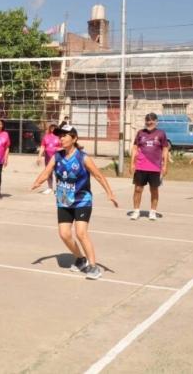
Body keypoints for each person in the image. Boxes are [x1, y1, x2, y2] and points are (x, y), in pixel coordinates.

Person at [31, 123, 118, 280]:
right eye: (60, 135)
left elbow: (99, 175)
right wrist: (37, 182)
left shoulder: (83, 158)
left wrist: (109, 193)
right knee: (64, 234)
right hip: (63, 200)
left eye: (65, 135)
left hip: (82, 200)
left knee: (80, 233)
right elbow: (46, 172)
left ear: (74, 138)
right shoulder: (57, 156)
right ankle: (80, 259)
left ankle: (93, 266)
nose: (61, 138)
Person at [129, 113, 169, 221]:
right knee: (138, 189)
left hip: (155, 167)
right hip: (141, 167)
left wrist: (165, 165)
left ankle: (152, 212)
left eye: (151, 120)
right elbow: (135, 148)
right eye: (147, 120)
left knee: (154, 190)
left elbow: (165, 150)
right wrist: (132, 163)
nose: (149, 122)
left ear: (156, 121)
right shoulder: (140, 133)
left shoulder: (161, 134)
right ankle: (136, 211)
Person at [36, 124, 61, 194]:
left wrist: (57, 149)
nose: (53, 128)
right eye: (52, 127)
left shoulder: (60, 137)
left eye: (54, 127)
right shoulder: (46, 137)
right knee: (48, 173)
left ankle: (59, 189)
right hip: (48, 158)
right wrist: (39, 156)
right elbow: (42, 147)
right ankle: (50, 188)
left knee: (58, 174)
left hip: (58, 158)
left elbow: (64, 147)